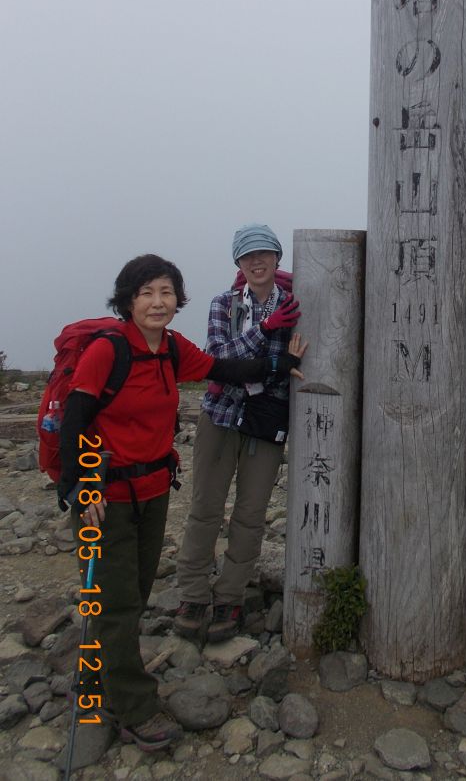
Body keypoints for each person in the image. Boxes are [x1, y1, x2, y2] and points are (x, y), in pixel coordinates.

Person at [58, 253, 305, 751]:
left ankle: (104, 682)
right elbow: (75, 421)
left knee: (136, 591)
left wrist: (283, 362)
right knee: (118, 603)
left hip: (151, 492)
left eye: (166, 292)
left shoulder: (171, 349)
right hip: (105, 498)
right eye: (146, 293)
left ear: (177, 300)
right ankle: (134, 708)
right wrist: (81, 489)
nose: (157, 302)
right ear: (128, 300)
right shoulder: (108, 352)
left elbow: (227, 367)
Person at [175, 223, 301, 643]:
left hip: (265, 421)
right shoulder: (222, 305)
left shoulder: (296, 305)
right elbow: (216, 358)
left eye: (264, 253)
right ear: (238, 263)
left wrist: (259, 361)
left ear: (277, 257)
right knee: (205, 508)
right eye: (248, 256)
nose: (257, 261)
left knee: (250, 514)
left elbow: (292, 362)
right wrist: (265, 334)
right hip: (220, 415)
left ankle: (229, 594)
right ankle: (192, 593)